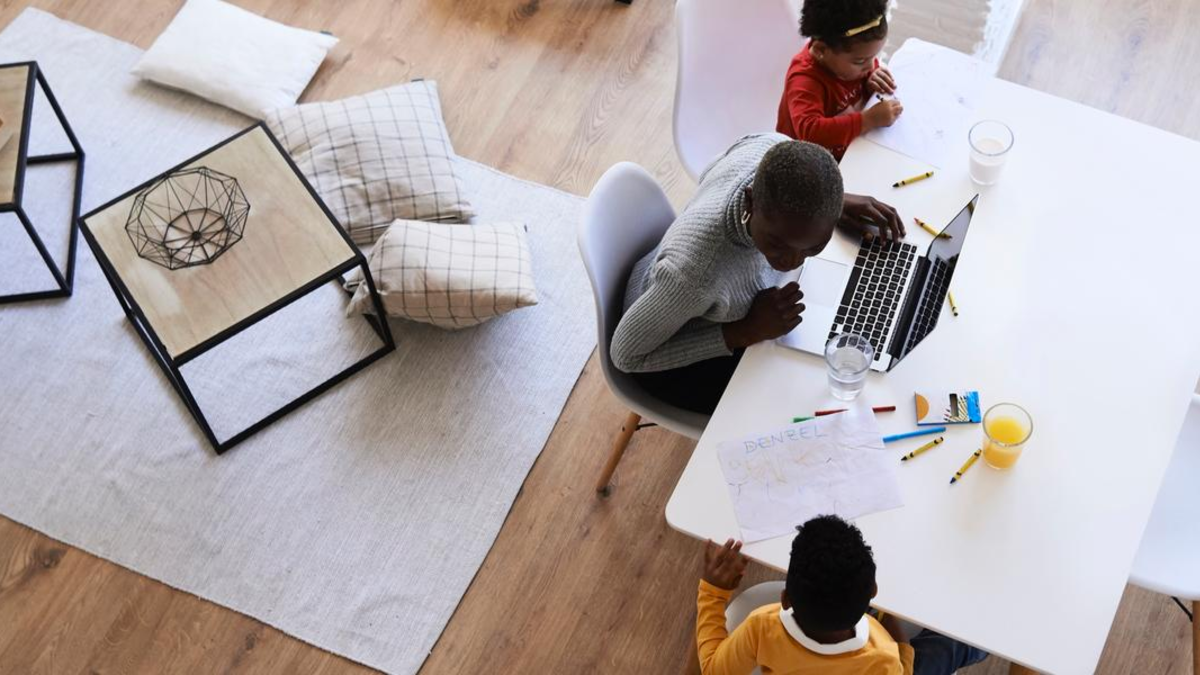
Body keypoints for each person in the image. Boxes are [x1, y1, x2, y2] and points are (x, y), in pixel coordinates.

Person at [609, 134, 903, 415]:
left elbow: (713, 171)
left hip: (694, 306)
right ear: (750, 202)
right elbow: (626, 356)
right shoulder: (694, 275)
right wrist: (745, 331)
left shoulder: (773, 145)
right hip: (667, 355)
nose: (791, 260)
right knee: (810, 404)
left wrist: (830, 210)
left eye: (813, 245)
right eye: (777, 243)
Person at [696, 516, 989, 675]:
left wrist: (713, 592)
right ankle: (981, 646)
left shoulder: (761, 626)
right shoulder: (883, 657)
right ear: (873, 594)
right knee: (950, 647)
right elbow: (901, 667)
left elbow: (712, 669)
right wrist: (899, 641)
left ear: (785, 599)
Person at [776, 0, 903, 160]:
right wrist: (868, 120)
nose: (871, 66)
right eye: (860, 61)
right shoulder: (804, 80)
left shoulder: (848, 60)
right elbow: (811, 131)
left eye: (874, 57)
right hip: (806, 163)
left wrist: (872, 79)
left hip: (849, 150)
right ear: (821, 50)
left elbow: (866, 68)